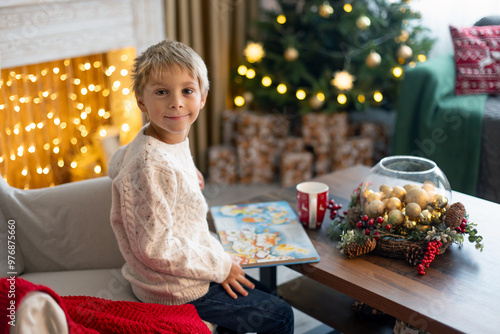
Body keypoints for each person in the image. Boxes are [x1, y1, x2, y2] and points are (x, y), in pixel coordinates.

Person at [107, 39, 294, 334]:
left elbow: (117, 162)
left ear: (202, 97)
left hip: (186, 266)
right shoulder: (149, 164)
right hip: (172, 288)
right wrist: (220, 266)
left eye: (187, 91)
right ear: (141, 101)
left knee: (268, 296)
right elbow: (154, 248)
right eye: (161, 92)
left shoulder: (164, 136)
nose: (176, 102)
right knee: (280, 315)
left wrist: (186, 172)